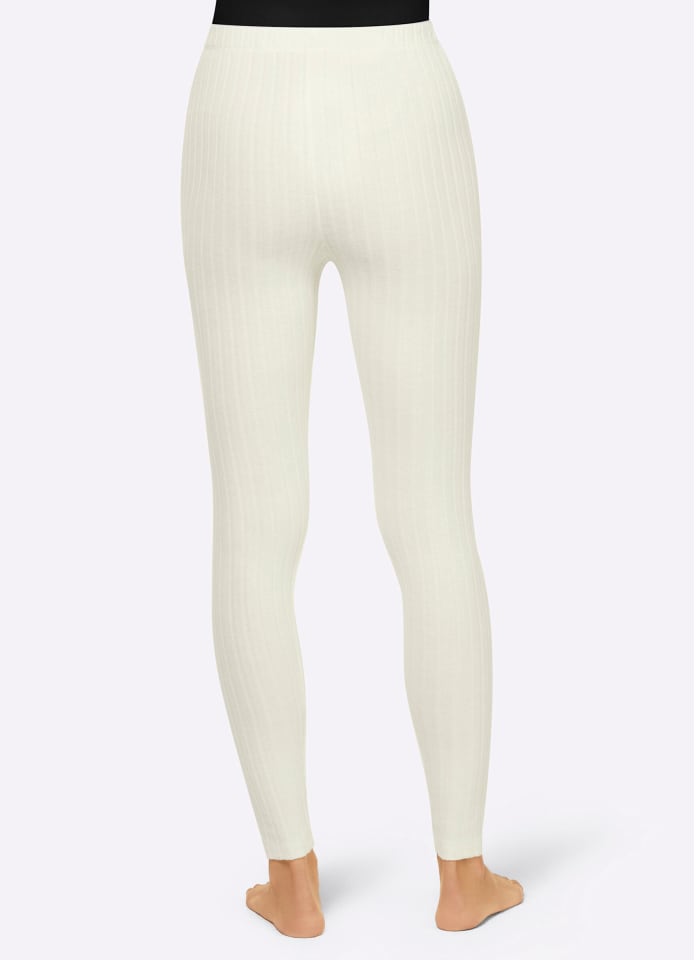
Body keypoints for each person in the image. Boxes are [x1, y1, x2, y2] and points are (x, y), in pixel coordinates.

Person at [180, 0, 524, 937]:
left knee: (253, 523)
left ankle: (291, 883)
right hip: (401, 91)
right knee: (433, 515)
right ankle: (463, 875)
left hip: (243, 94)